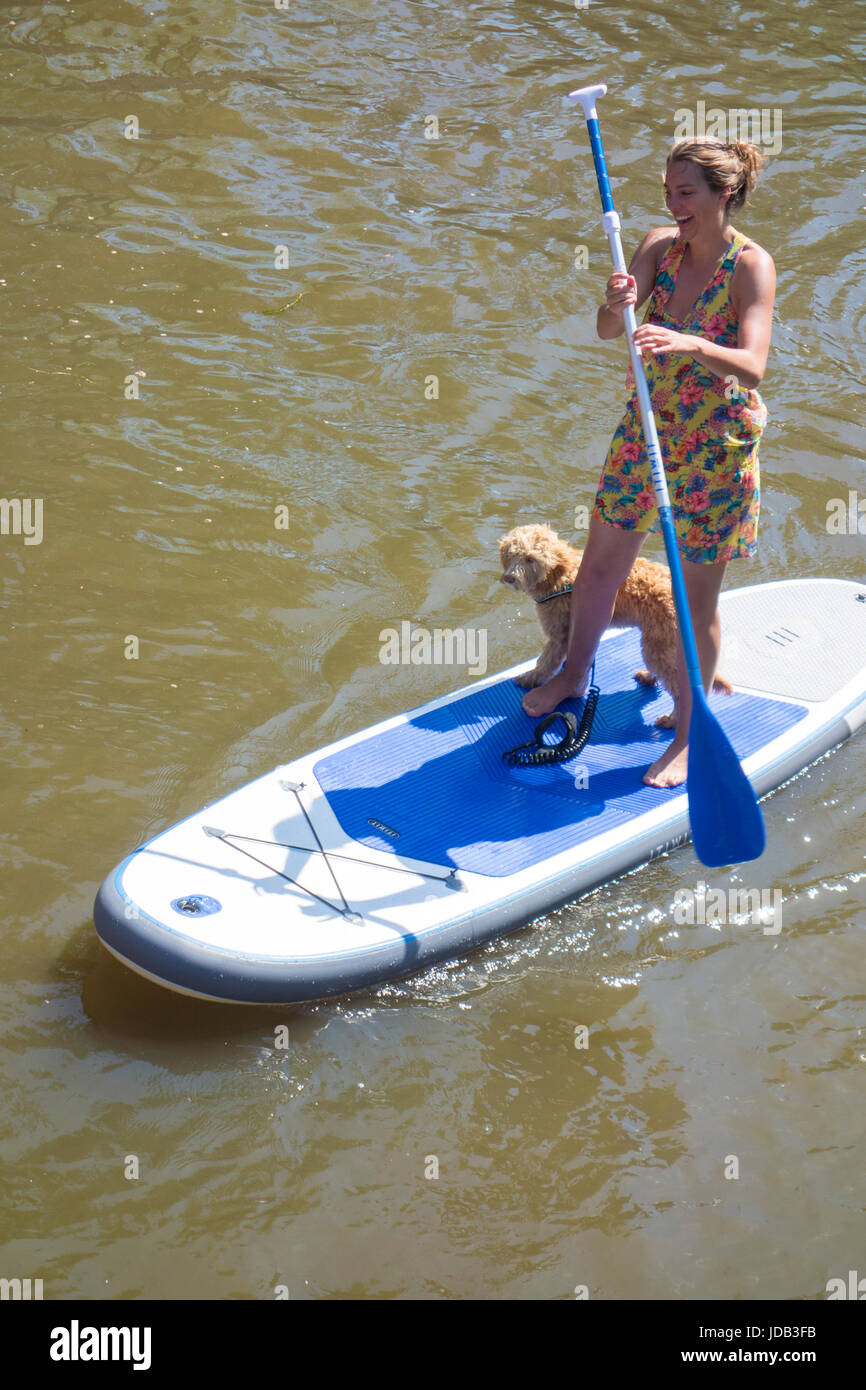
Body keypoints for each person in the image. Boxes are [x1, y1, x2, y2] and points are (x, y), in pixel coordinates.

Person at [521, 136, 776, 788]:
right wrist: (614, 302)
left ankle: (690, 732)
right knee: (600, 568)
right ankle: (574, 674)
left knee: (696, 603)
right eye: (668, 191)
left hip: (714, 458)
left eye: (685, 192)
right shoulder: (659, 248)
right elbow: (611, 332)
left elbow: (752, 365)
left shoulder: (750, 267)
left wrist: (689, 341)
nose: (672, 203)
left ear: (724, 195)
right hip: (644, 438)